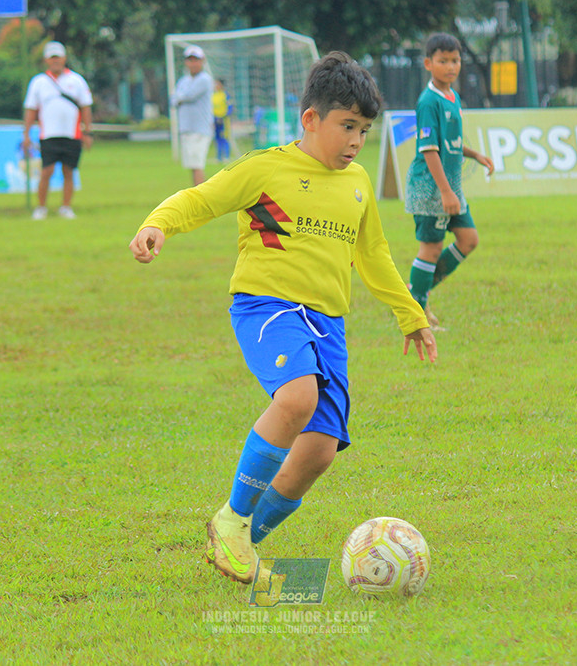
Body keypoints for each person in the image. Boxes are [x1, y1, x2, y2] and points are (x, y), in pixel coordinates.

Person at [129, 52, 438, 584]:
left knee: (317, 453)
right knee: (297, 398)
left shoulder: (358, 182)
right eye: (347, 126)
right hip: (268, 305)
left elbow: (373, 254)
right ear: (311, 119)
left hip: (329, 324)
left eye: (364, 130)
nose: (356, 141)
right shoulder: (266, 168)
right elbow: (201, 199)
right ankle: (230, 519)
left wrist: (410, 314)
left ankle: (241, 543)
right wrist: (158, 224)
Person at [404, 33, 494, 330]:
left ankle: (417, 294)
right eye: (443, 61)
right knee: (430, 249)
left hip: (450, 188)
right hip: (432, 188)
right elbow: (429, 149)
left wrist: (475, 155)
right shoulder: (428, 101)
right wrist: (445, 192)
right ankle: (416, 313)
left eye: (455, 60)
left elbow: (448, 142)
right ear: (428, 64)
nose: (450, 66)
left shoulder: (452, 97)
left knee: (469, 239)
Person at [23, 40, 93, 221]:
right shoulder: (38, 82)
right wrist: (26, 134)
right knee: (46, 171)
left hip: (72, 134)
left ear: (64, 58)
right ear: (46, 60)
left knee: (69, 171)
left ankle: (66, 207)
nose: (55, 61)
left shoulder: (76, 80)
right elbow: (31, 109)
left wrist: (87, 132)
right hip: (49, 135)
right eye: (52, 58)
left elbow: (85, 107)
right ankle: (41, 208)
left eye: (58, 57)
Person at [172, 45, 214, 185]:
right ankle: (199, 193)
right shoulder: (183, 80)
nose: (193, 63)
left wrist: (180, 97)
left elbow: (189, 96)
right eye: (190, 60)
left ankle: (201, 196)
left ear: (202, 61)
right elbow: (173, 100)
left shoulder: (205, 79)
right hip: (186, 128)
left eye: (196, 60)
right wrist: (180, 97)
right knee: (192, 165)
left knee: (197, 165)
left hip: (199, 129)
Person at [212, 78, 233, 162]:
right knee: (217, 138)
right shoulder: (213, 95)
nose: (215, 86)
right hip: (215, 120)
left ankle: (226, 156)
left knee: (224, 137)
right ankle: (219, 157)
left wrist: (224, 116)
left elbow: (230, 107)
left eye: (217, 84)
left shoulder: (225, 95)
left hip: (223, 120)